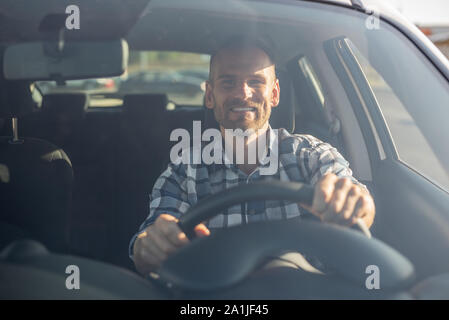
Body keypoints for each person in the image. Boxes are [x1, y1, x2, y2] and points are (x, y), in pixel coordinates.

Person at [130, 38, 375, 276]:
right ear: (209, 96)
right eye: (228, 83)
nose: (243, 94)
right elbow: (149, 243)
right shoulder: (184, 171)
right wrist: (150, 246)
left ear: (275, 93)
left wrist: (355, 204)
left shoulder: (311, 156)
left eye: (256, 82)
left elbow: (356, 197)